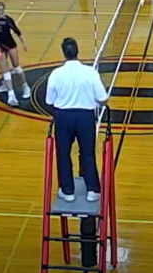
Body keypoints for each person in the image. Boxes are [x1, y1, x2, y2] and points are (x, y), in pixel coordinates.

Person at [46, 37, 109, 203]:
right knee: (88, 154)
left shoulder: (56, 74)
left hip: (63, 118)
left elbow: (49, 101)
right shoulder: (90, 73)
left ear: (64, 53)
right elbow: (103, 98)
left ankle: (67, 191)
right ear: (77, 51)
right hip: (85, 118)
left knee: (63, 154)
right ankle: (93, 190)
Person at [0, 2, 32, 99]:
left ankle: (25, 87)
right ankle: (4, 84)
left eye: (1, 9)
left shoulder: (8, 20)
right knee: (4, 68)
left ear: (4, 10)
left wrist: (23, 43)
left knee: (16, 67)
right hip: (1, 46)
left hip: (10, 45)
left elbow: (18, 32)